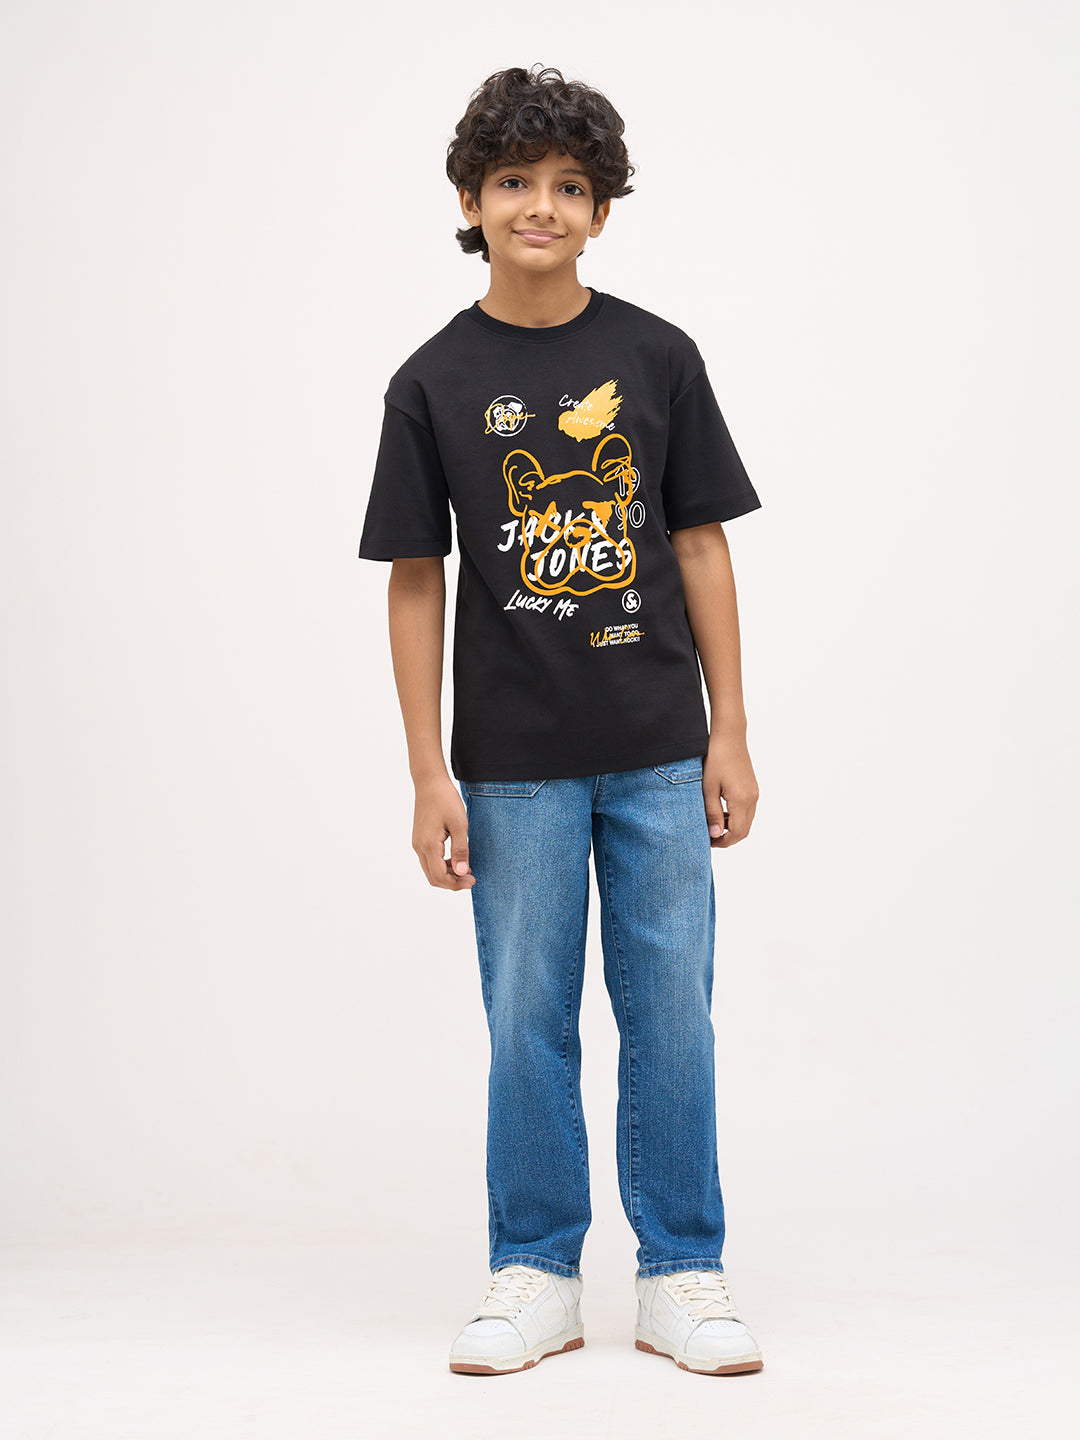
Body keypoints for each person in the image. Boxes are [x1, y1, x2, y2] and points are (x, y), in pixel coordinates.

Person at [358, 63, 765, 1378]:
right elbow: (415, 579)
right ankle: (534, 1270)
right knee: (526, 1020)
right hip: (513, 769)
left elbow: (699, 546)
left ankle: (682, 1271)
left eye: (570, 185)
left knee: (673, 1014)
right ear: (470, 202)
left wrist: (730, 729)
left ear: (601, 207)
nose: (542, 204)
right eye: (515, 181)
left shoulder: (657, 356)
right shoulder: (432, 381)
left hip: (659, 753)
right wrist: (426, 770)